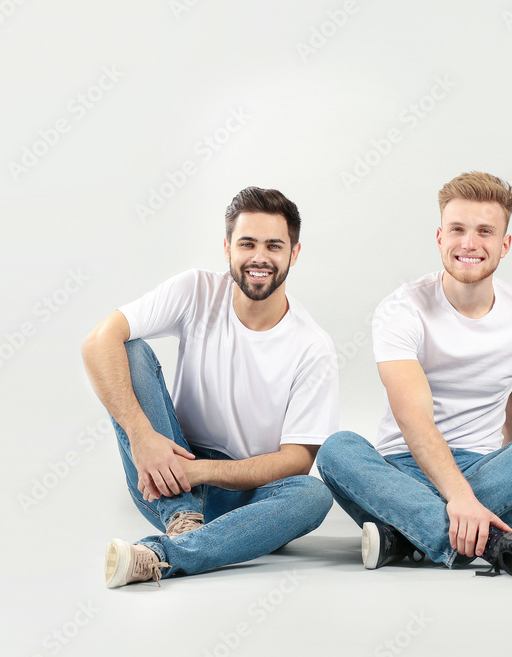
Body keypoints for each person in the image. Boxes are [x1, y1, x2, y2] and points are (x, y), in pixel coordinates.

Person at [316, 171, 512, 578]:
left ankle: (404, 538)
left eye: (485, 231)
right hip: (400, 470)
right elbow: (413, 417)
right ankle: (496, 545)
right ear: (440, 237)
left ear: (504, 244)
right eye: (457, 229)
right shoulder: (401, 310)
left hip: (486, 470)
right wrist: (459, 498)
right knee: (337, 449)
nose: (469, 243)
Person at [82, 187, 337, 588]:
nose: (259, 257)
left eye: (274, 245)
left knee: (314, 495)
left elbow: (296, 461)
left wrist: (198, 471)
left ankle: (162, 554)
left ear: (294, 253)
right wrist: (142, 436)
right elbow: (98, 342)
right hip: (165, 479)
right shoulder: (195, 290)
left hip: (244, 496)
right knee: (128, 349)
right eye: (247, 243)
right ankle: (184, 520)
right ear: (227, 248)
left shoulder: (313, 345)